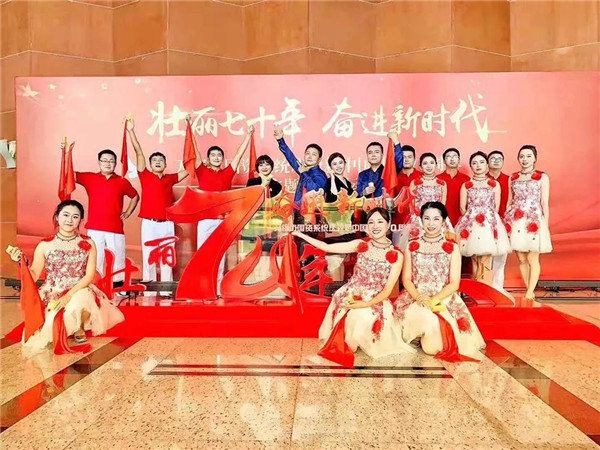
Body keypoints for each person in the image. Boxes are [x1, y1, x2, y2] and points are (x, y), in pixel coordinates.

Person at [293, 208, 415, 361]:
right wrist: (300, 235)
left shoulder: (397, 255)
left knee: (359, 322)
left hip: (375, 299)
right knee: (349, 343)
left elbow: (387, 290)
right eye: (371, 222)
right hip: (352, 293)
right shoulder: (361, 244)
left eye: (380, 222)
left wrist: (365, 304)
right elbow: (327, 247)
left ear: (388, 224)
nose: (375, 226)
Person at [7, 200, 124, 352]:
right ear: (57, 217)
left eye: (75, 216)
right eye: (66, 215)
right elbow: (34, 274)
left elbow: (89, 276)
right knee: (49, 330)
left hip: (79, 288)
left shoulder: (88, 243)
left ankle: (79, 326)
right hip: (52, 291)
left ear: (80, 220)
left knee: (81, 300)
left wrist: (68, 296)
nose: (70, 220)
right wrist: (20, 261)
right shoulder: (44, 245)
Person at [394, 202, 485, 361]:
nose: (431, 223)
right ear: (421, 219)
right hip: (416, 297)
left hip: (443, 298)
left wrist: (433, 300)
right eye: (427, 218)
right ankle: (417, 335)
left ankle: (422, 338)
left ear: (443, 221)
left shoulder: (452, 247)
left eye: (436, 219)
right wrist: (419, 297)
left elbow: (454, 283)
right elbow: (406, 279)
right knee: (426, 320)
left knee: (435, 347)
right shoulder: (412, 246)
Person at [127, 118, 188, 294]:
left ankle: (166, 290)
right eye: (155, 160)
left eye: (161, 160)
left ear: (165, 164)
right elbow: (139, 152)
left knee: (167, 257)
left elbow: (190, 169)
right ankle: (150, 291)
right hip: (149, 223)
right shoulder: (145, 175)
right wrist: (131, 131)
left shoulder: (170, 178)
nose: (158, 162)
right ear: (150, 164)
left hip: (167, 223)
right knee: (149, 257)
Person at [193, 123, 255, 292]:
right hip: (205, 221)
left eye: (219, 155)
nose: (216, 157)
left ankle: (217, 287)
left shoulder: (227, 173)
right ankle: (202, 287)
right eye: (213, 155)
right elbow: (194, 151)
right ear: (208, 158)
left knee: (219, 256)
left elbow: (239, 155)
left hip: (221, 222)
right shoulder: (202, 171)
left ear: (222, 158)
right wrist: (189, 126)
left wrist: (248, 135)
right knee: (202, 256)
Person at [75, 147, 139, 281]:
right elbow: (68, 174)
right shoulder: (90, 178)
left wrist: (128, 212)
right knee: (95, 260)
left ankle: (118, 287)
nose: (108, 163)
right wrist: (66, 153)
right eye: (104, 160)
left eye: (111, 161)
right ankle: (95, 286)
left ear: (115, 163)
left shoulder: (122, 181)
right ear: (99, 162)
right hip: (95, 227)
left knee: (118, 260)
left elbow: (135, 196)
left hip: (115, 228)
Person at [504, 145, 552, 300]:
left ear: (535, 158)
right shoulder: (513, 178)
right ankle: (528, 289)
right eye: (522, 156)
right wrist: (507, 221)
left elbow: (544, 202)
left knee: (532, 258)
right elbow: (510, 201)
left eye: (529, 156)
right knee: (522, 258)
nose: (525, 159)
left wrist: (545, 225)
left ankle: (530, 292)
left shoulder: (542, 177)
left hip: (533, 219)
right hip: (517, 219)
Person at [455, 152, 511, 281]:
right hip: (471, 224)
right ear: (471, 166)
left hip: (488, 223)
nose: (478, 165)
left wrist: (486, 219)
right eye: (474, 163)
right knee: (475, 258)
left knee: (486, 257)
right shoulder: (466, 185)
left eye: (481, 162)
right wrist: (472, 220)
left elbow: (496, 207)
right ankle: (478, 286)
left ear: (487, 165)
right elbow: (462, 208)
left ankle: (486, 286)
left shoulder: (494, 184)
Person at [397, 153, 451, 250]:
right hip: (419, 219)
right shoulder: (414, 183)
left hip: (437, 219)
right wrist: (418, 219)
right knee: (417, 248)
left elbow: (443, 205)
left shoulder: (442, 183)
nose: (429, 166)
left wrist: (439, 219)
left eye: (432, 163)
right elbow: (412, 205)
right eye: (425, 163)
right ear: (420, 167)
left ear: (436, 165)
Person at [273, 125, 327, 210]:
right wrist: (280, 140)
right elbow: (292, 158)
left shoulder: (320, 175)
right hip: (298, 211)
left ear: (319, 159)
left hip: (311, 214)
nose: (309, 157)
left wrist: (304, 173)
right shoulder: (305, 169)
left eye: (313, 154)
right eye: (307, 153)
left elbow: (315, 192)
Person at [487, 150, 510, 293]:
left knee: (501, 257)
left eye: (499, 158)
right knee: (485, 257)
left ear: (503, 162)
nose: (496, 161)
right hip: (485, 224)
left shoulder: (509, 180)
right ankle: (485, 287)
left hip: (504, 223)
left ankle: (498, 288)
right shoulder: (481, 180)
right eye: (492, 158)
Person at [356, 132, 403, 199]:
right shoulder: (362, 175)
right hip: (367, 205)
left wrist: (396, 142)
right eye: (370, 153)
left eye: (377, 152)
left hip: (385, 205)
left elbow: (399, 163)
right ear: (367, 156)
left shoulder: (389, 172)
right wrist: (364, 192)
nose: (373, 155)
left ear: (382, 155)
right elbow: (357, 196)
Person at [437, 148, 470, 227]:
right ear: (444, 161)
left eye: (454, 156)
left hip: (462, 219)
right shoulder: (438, 179)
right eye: (448, 156)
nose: (452, 159)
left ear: (459, 160)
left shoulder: (466, 179)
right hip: (442, 218)